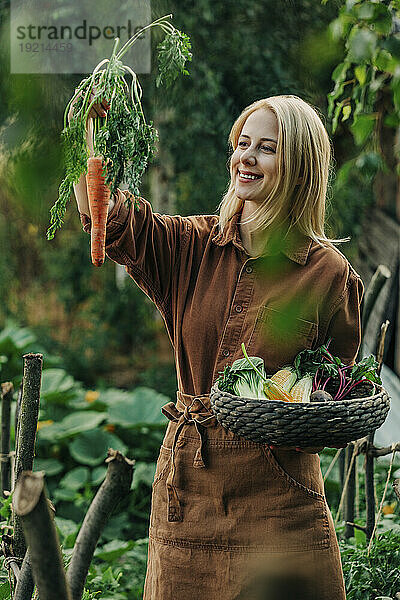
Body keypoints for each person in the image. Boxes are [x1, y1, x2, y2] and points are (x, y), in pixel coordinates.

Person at [71, 93, 364, 599]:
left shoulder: (327, 274)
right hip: (191, 496)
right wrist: (84, 133)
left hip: (281, 502)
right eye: (242, 144)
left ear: (299, 166)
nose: (245, 157)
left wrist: (305, 416)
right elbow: (110, 218)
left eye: (266, 148)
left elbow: (336, 388)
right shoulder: (190, 246)